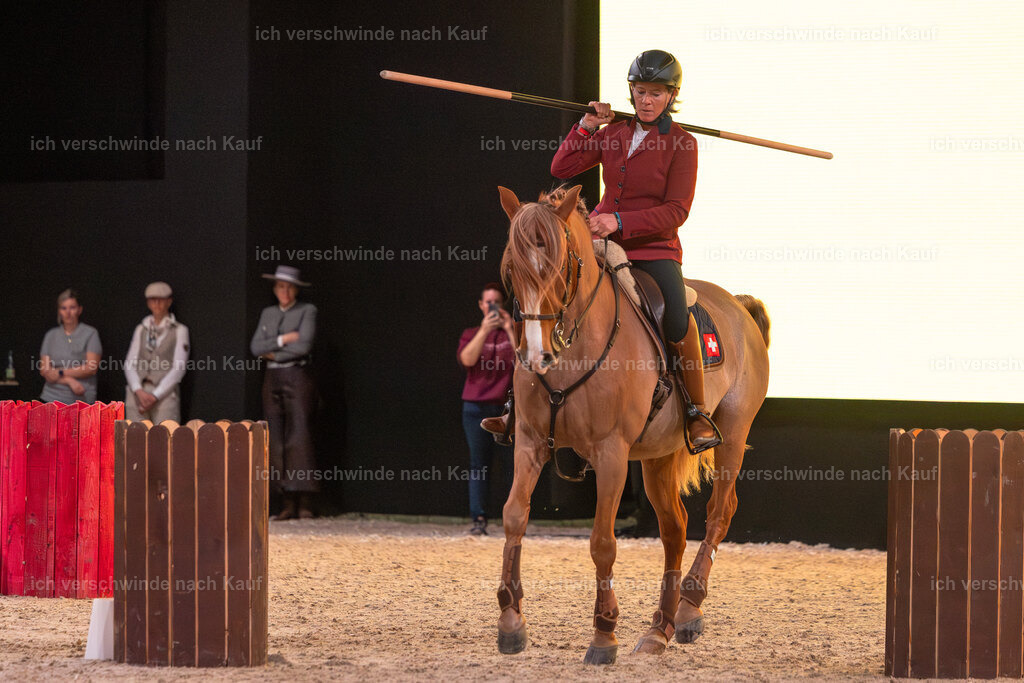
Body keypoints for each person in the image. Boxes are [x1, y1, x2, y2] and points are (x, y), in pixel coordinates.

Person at [548, 49, 720, 449]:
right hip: (601, 243)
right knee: (551, 292)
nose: (646, 100)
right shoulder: (613, 133)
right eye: (640, 91)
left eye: (656, 93)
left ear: (672, 95)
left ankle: (696, 411)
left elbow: (677, 211)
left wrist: (620, 222)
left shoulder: (683, 144)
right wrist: (586, 125)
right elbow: (562, 168)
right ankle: (524, 400)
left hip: (653, 248)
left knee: (677, 320)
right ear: (631, 91)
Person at [250, 265, 318, 520]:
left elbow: (304, 345)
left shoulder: (307, 311)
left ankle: (305, 499)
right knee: (276, 437)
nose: (285, 291)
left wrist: (277, 349)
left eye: (289, 287)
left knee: (299, 435)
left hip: (297, 375)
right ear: (275, 288)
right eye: (280, 286)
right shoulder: (268, 313)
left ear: (296, 289)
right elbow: (256, 347)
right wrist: (282, 340)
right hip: (273, 376)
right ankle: (285, 499)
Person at [457, 283, 516, 535]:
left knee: (513, 465)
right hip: (475, 408)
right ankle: (478, 519)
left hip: (505, 409)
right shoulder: (471, 333)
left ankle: (514, 518)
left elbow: (524, 361)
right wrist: (484, 329)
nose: (492, 307)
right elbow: (468, 360)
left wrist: (510, 328)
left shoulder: (510, 333)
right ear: (481, 306)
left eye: (496, 303)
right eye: (488, 302)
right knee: (479, 465)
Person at [124, 282, 189, 423]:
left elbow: (179, 368)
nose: (157, 303)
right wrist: (138, 390)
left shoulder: (179, 330)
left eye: (161, 299)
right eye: (153, 299)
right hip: (137, 393)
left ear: (169, 301)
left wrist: (155, 396)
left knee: (164, 439)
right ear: (148, 303)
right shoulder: (141, 328)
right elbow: (129, 363)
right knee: (135, 440)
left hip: (164, 395)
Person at [39, 289, 102, 404]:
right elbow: (45, 370)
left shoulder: (90, 333)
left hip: (81, 399)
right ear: (59, 311)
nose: (68, 312)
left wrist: (59, 372)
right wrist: (69, 380)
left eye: (72, 307)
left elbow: (91, 368)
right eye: (64, 308)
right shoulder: (50, 335)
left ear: (79, 310)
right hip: (51, 397)